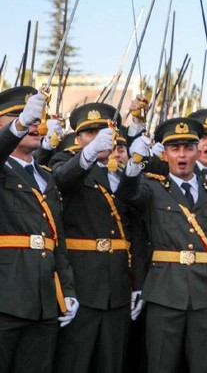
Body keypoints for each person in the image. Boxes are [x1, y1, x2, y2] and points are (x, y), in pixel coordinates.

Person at [119, 117, 207, 372]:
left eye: (188, 148)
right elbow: (128, 195)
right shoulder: (151, 187)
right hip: (165, 293)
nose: (182, 155)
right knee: (162, 364)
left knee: (205, 365)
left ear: (198, 151)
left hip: (205, 294)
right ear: (164, 154)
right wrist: (134, 165)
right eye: (175, 149)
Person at [50, 102, 133, 372]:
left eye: (104, 130)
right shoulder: (64, 161)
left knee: (112, 363)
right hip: (81, 285)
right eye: (90, 132)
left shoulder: (122, 174)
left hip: (117, 287)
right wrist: (88, 154)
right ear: (78, 139)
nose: (98, 137)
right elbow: (63, 179)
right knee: (74, 362)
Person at [0, 86, 77, 372]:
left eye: (35, 116)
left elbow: (57, 239)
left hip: (44, 298)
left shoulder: (46, 177)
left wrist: (67, 289)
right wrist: (17, 127)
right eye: (17, 115)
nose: (33, 122)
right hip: (6, 297)